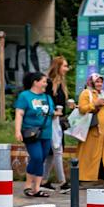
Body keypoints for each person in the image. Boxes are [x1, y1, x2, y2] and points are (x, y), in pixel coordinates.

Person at [13, 71, 54, 198]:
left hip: (46, 133)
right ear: (35, 82)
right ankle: (28, 185)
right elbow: (19, 113)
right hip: (30, 132)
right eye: (43, 81)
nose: (46, 84)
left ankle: (36, 188)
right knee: (36, 157)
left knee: (41, 158)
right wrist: (17, 130)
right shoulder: (25, 96)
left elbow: (51, 113)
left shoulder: (47, 97)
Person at [76, 70, 104, 185]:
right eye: (97, 82)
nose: (100, 84)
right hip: (92, 133)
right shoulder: (86, 93)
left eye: (101, 82)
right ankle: (85, 179)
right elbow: (82, 109)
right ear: (91, 82)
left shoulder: (102, 94)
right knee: (90, 156)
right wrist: (94, 104)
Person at [43, 56, 71, 189]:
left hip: (58, 121)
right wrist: (53, 111)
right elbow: (45, 101)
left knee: (51, 152)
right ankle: (62, 181)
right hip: (51, 120)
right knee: (57, 150)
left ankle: (44, 180)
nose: (67, 69)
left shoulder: (61, 83)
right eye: (64, 66)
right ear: (58, 67)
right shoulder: (48, 83)